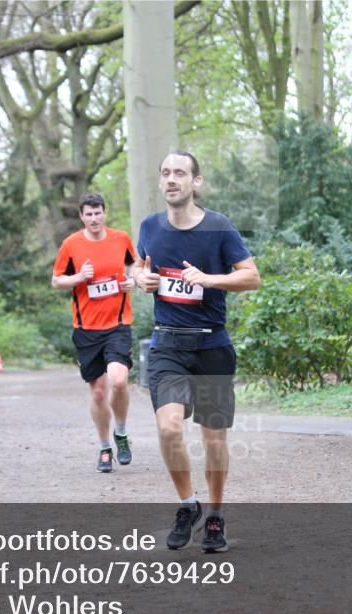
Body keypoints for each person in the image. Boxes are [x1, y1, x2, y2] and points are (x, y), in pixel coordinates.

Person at [133, 151, 260, 553]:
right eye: (165, 173)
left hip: (211, 346)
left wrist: (208, 279)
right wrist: (141, 279)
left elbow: (251, 277)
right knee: (169, 428)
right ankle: (188, 505)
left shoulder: (218, 227)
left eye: (180, 173)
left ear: (196, 182)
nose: (172, 179)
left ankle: (216, 516)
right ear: (160, 181)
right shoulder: (150, 226)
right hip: (167, 344)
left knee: (214, 441)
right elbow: (137, 266)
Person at [52, 193, 139, 473]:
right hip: (86, 329)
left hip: (118, 324)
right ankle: (104, 448)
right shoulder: (71, 244)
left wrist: (132, 281)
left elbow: (134, 266)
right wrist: (79, 278)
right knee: (99, 393)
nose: (93, 218)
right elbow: (56, 280)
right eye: (88, 214)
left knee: (119, 380)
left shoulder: (121, 239)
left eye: (97, 213)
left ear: (104, 213)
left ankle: (121, 433)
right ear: (81, 216)